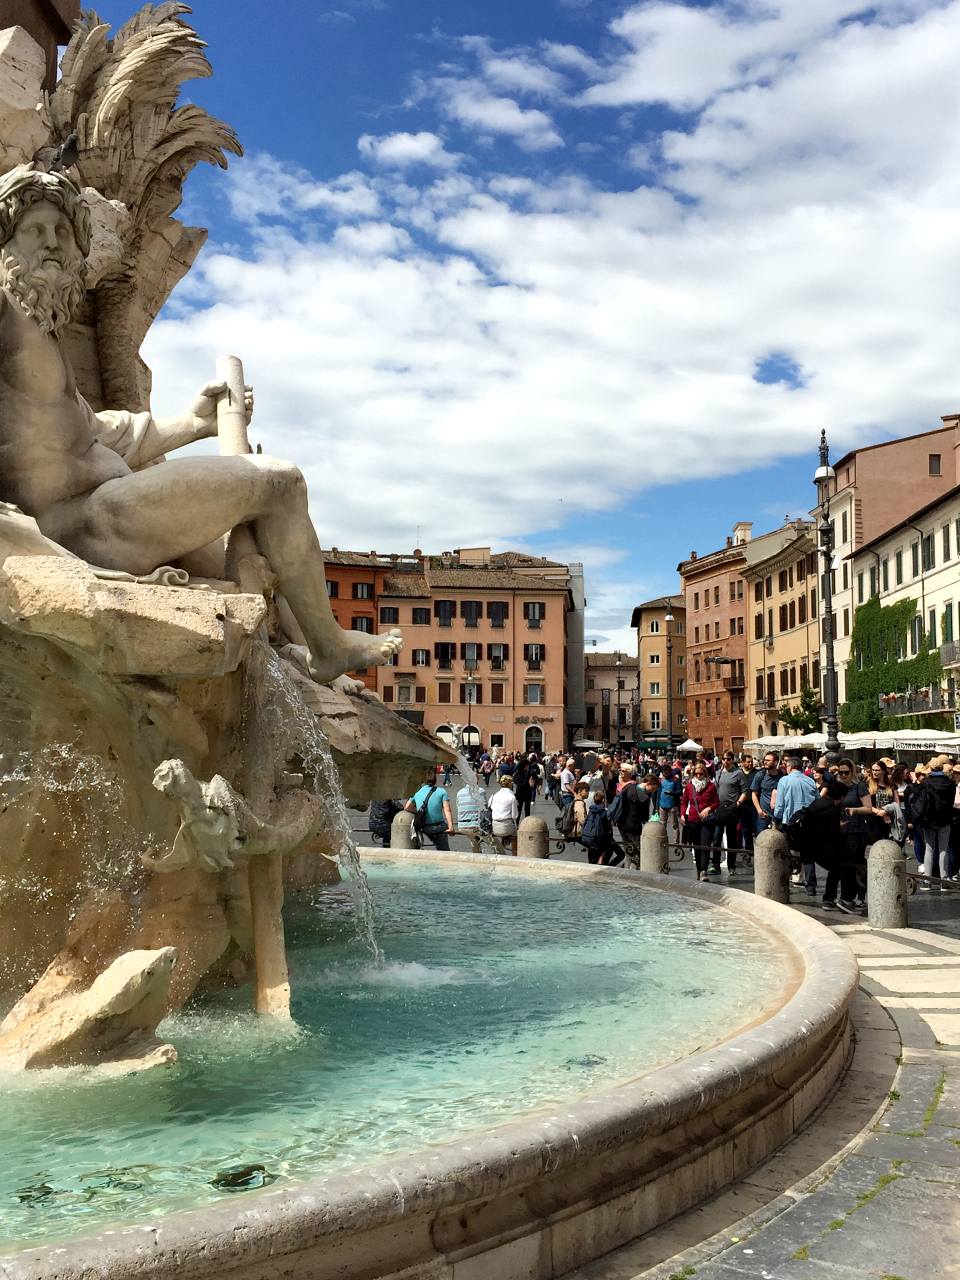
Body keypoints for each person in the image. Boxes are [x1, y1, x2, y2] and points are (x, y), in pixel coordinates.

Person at [0, 165, 402, 687]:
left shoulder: (41, 333)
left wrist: (193, 423)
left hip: (113, 504)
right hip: (92, 523)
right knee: (279, 482)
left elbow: (96, 432)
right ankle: (330, 645)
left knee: (255, 561)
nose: (52, 244)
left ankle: (311, 664)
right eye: (35, 230)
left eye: (62, 232)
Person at [801, 780, 861, 910]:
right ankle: (846, 899)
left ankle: (828, 899)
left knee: (836, 868)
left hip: (810, 848)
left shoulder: (817, 803)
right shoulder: (832, 809)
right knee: (852, 865)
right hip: (824, 849)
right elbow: (834, 835)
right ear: (841, 797)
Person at [774, 756, 819, 895]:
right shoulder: (810, 781)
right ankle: (811, 887)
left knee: (787, 853)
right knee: (808, 855)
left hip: (790, 822)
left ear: (790, 767)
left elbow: (780, 803)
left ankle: (785, 882)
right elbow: (817, 801)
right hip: (809, 822)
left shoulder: (784, 780)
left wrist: (776, 819)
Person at [914, 756, 956, 890]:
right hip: (945, 819)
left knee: (929, 849)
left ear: (930, 768)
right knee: (944, 849)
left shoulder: (926, 783)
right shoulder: (950, 784)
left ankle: (927, 880)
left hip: (929, 820)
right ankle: (944, 880)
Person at [835, 757, 869, 907]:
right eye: (840, 772)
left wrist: (855, 810)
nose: (842, 775)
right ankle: (845, 896)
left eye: (845, 772)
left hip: (856, 830)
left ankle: (859, 896)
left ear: (852, 772)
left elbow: (868, 808)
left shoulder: (859, 786)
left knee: (855, 864)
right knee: (843, 865)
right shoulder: (837, 787)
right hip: (840, 831)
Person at [680, 761, 719, 881]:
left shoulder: (711, 786)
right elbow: (684, 802)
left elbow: (716, 802)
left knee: (705, 845)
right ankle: (698, 870)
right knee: (696, 846)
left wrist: (709, 808)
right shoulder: (689, 786)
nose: (698, 776)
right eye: (696, 774)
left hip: (707, 821)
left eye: (701, 774)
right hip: (693, 820)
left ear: (705, 774)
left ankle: (703, 871)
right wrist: (682, 815)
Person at [713, 750, 750, 876]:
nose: (725, 761)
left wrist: (738, 803)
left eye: (728, 759)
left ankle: (731, 865)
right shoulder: (717, 773)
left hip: (732, 807)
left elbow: (745, 791)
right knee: (717, 837)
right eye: (723, 759)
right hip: (719, 807)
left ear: (733, 760)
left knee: (731, 837)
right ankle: (715, 864)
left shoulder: (738, 773)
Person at [404, 770, 454, 851]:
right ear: (435, 780)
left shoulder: (416, 792)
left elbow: (407, 807)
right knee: (444, 850)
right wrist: (451, 827)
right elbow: (447, 810)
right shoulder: (441, 791)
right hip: (438, 827)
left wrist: (419, 811)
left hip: (424, 827)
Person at [488, 775, 520, 854]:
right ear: (510, 784)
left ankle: (498, 852)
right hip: (507, 827)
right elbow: (514, 816)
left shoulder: (494, 795)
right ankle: (515, 854)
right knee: (517, 836)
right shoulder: (512, 797)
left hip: (494, 827)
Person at [751, 751, 780, 834]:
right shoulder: (760, 775)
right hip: (764, 814)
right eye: (765, 760)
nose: (765, 762)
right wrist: (759, 810)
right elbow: (754, 794)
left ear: (775, 762)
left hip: (777, 815)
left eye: (768, 760)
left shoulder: (781, 776)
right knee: (761, 839)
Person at [455, 782, 484, 854]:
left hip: (462, 826)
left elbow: (458, 807)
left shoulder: (459, 792)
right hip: (475, 826)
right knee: (494, 840)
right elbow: (484, 809)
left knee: (473, 839)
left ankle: (477, 855)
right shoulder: (480, 791)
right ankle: (503, 858)